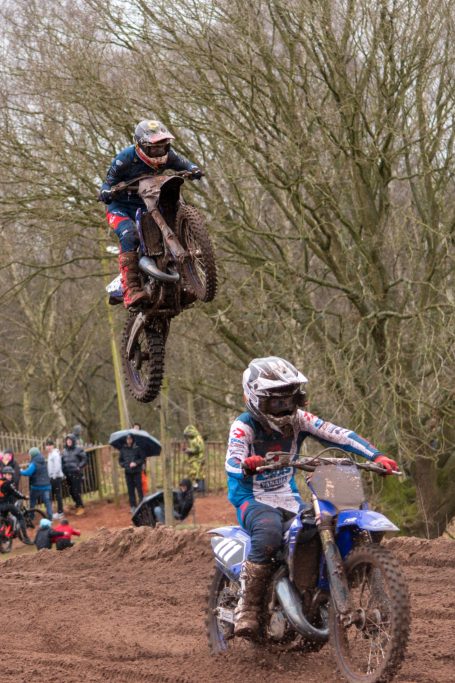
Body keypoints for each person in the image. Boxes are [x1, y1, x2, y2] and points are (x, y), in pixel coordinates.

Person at [226, 356, 399, 639]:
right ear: (256, 400)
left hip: (288, 497)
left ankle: (312, 595)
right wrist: (246, 464)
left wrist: (376, 455)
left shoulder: (299, 420)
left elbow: (338, 434)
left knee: (323, 526)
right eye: (277, 402)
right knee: (269, 533)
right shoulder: (243, 427)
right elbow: (231, 461)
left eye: (290, 399)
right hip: (253, 499)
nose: (285, 407)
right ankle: (248, 606)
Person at [98, 119, 203, 307]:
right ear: (140, 146)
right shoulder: (124, 158)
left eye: (163, 147)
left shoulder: (169, 155)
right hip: (120, 207)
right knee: (129, 234)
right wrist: (106, 191)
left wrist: (193, 169)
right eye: (154, 148)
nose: (159, 152)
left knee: (171, 225)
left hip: (148, 204)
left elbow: (185, 164)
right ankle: (131, 289)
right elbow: (108, 182)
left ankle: (186, 282)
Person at [0, 466, 33, 544]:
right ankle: (26, 538)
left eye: (11, 474)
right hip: (7, 505)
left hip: (1, 506)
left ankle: (5, 537)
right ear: (4, 474)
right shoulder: (8, 483)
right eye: (8, 474)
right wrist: (24, 497)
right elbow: (15, 493)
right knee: (21, 517)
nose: (10, 476)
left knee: (7, 519)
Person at [20, 447, 53, 519]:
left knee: (32, 502)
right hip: (46, 485)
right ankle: (50, 517)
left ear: (32, 454)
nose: (29, 455)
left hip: (36, 487)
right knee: (47, 502)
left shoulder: (34, 463)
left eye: (29, 454)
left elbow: (28, 472)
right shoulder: (43, 460)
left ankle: (31, 516)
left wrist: (20, 471)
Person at [61, 434, 87, 516]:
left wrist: (79, 467)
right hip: (68, 474)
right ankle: (77, 504)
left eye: (70, 440)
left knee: (76, 491)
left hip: (76, 473)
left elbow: (85, 459)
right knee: (71, 491)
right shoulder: (64, 451)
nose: (68, 442)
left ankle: (81, 507)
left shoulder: (78, 449)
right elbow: (62, 462)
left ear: (73, 441)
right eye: (67, 440)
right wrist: (63, 471)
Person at [119, 434, 145, 513]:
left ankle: (142, 505)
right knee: (130, 490)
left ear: (132, 439)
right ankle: (133, 506)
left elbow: (142, 459)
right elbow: (120, 461)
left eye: (130, 439)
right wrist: (125, 465)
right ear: (126, 440)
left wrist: (136, 463)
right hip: (128, 473)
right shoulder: (123, 449)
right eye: (127, 439)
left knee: (139, 489)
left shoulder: (137, 448)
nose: (129, 440)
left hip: (137, 472)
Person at [45, 438, 64, 519]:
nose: (48, 447)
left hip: (56, 478)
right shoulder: (50, 454)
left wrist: (54, 476)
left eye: (50, 445)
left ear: (53, 446)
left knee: (58, 495)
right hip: (51, 478)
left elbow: (57, 466)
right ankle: (51, 512)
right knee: (52, 495)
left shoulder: (55, 454)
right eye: (47, 445)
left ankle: (60, 512)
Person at [183, 425, 206, 493]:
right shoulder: (198, 438)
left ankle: (197, 488)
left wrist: (188, 450)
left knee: (194, 473)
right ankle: (201, 488)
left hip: (196, 459)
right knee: (200, 473)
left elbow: (197, 449)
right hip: (200, 458)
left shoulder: (195, 440)